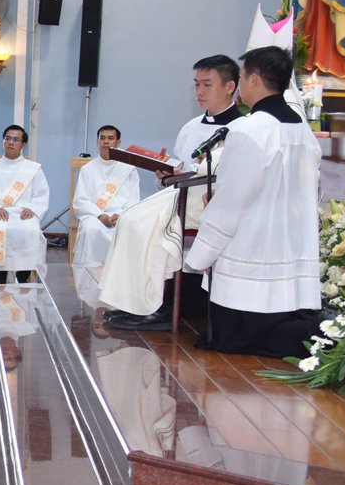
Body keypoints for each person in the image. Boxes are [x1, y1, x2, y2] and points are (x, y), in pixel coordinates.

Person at [184, 47, 322, 357]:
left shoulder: (250, 130)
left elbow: (232, 199)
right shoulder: (302, 130)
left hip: (253, 246)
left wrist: (203, 252)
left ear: (255, 79)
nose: (241, 85)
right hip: (289, 247)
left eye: (243, 76)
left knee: (238, 335)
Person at [101, 55, 247, 330]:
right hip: (183, 196)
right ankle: (138, 302)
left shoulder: (243, 128)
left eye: (207, 84)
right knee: (130, 220)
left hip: (212, 203)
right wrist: (165, 174)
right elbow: (180, 169)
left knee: (144, 224)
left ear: (230, 87)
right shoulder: (191, 127)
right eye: (196, 84)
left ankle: (158, 305)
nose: (199, 91)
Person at [71, 125, 140, 302]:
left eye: (110, 138)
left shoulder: (128, 169)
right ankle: (90, 290)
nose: (106, 142)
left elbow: (133, 201)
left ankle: (119, 292)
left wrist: (119, 215)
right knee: (90, 229)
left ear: (118, 142)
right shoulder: (88, 169)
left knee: (127, 230)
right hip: (95, 216)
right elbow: (80, 201)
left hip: (120, 217)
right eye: (102, 138)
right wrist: (100, 215)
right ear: (97, 142)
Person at [0, 125, 49, 284]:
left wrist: (32, 208)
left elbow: (41, 195)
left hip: (24, 214)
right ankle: (0, 279)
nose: (10, 142)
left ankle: (22, 278)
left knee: (30, 231)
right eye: (7, 138)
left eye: (16, 139)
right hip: (0, 213)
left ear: (23, 144)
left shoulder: (33, 169)